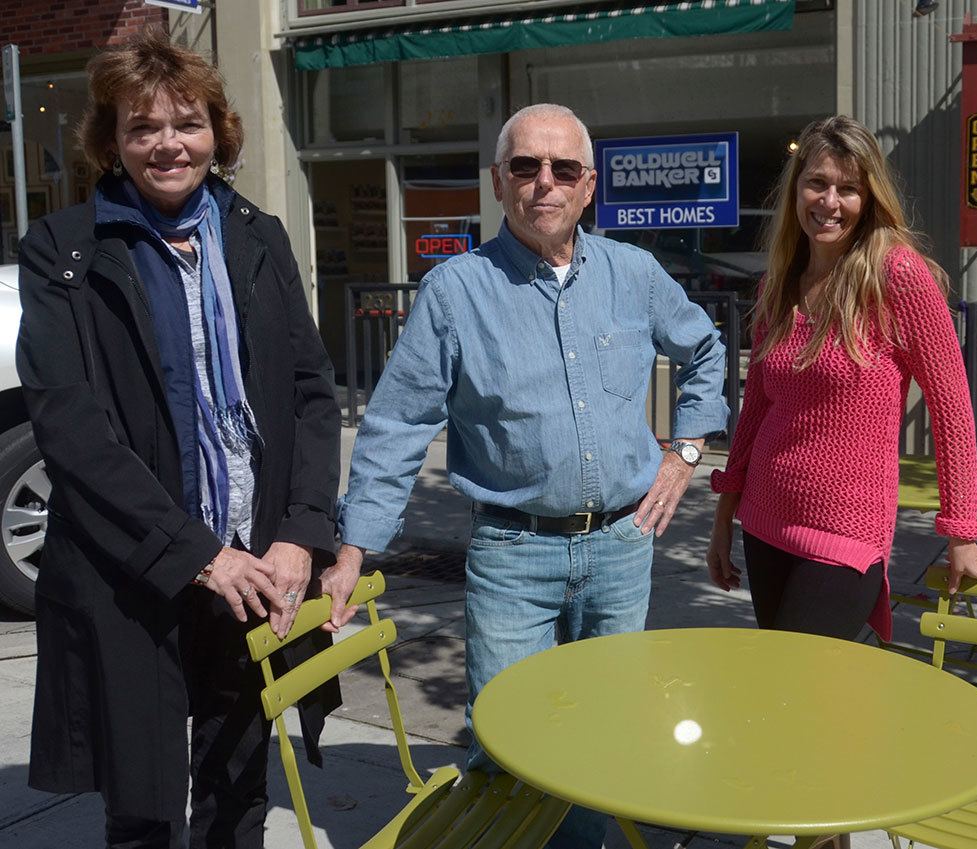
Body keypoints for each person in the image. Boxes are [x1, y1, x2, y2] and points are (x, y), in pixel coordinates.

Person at [326, 103, 728, 849]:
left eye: (563, 169)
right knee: (509, 742)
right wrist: (354, 547)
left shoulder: (634, 274)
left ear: (588, 187)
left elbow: (707, 353)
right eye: (526, 166)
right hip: (514, 556)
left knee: (604, 731)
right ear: (498, 181)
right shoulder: (455, 292)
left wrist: (687, 453)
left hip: (621, 546)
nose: (545, 182)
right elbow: (396, 422)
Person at [18, 31, 343, 849]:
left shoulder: (257, 234)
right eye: (143, 126)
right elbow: (72, 430)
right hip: (139, 572)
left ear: (218, 132)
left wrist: (302, 534)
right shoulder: (64, 253)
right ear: (112, 141)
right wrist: (200, 552)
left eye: (187, 123)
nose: (168, 143)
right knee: (145, 805)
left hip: (257, 563)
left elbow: (310, 392)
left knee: (239, 785)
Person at [705, 115, 977, 648]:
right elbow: (756, 407)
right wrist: (725, 514)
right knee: (780, 691)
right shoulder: (780, 284)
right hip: (765, 519)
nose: (830, 201)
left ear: (869, 198)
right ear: (796, 187)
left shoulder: (899, 276)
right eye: (817, 183)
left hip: (846, 533)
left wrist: (962, 534)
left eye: (848, 188)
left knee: (801, 686)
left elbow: (953, 407)